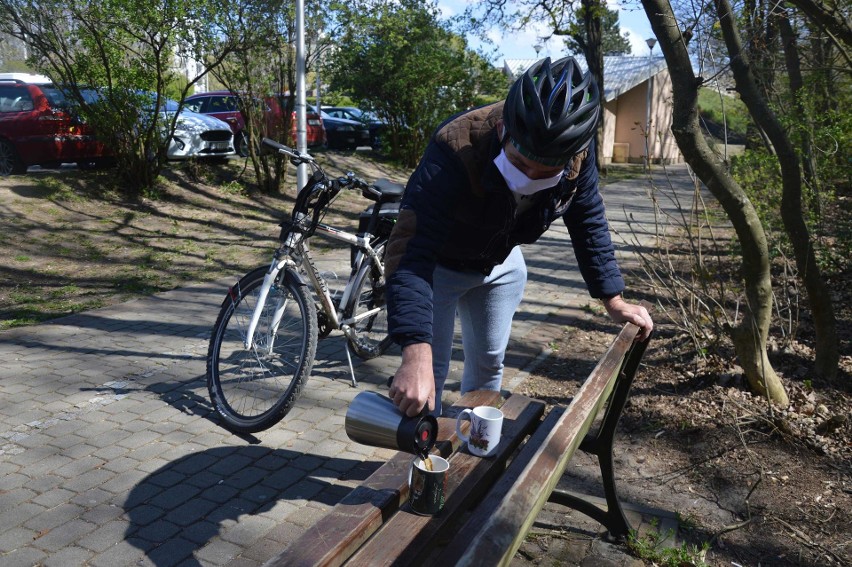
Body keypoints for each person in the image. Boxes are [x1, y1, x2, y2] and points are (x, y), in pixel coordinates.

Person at [384, 56, 653, 417]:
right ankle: (422, 467)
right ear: (502, 131)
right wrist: (414, 351)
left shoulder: (576, 153)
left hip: (502, 263)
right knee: (428, 375)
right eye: (521, 162)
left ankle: (474, 452)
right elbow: (409, 252)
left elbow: (587, 217)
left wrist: (613, 299)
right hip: (439, 269)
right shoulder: (455, 145)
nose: (530, 175)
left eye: (546, 170)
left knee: (489, 369)